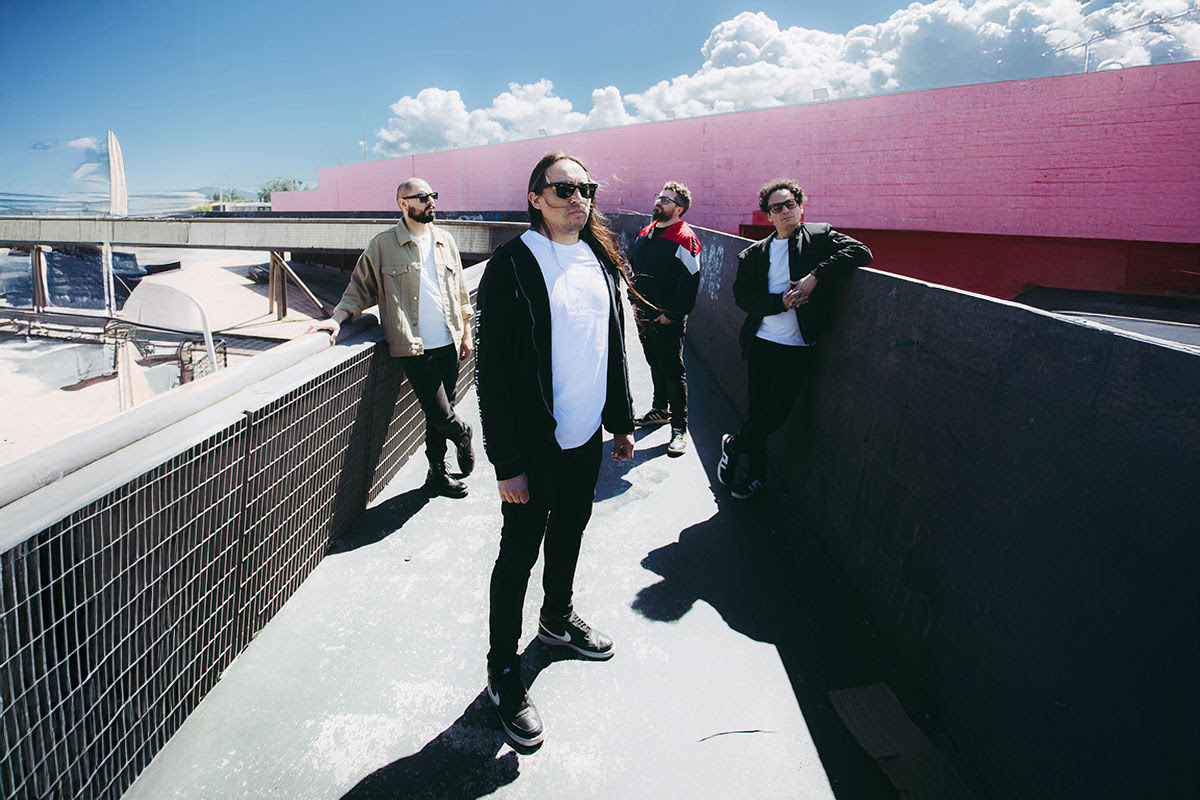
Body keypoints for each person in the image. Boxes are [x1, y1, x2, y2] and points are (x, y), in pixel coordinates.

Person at [474, 152, 635, 747]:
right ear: (535, 197)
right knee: (517, 557)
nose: (577, 198)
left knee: (569, 532)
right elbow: (491, 375)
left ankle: (557, 620)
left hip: (585, 439)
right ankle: (502, 672)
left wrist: (620, 421)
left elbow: (610, 345)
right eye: (563, 188)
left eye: (585, 188)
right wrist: (507, 464)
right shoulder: (512, 264)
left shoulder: (597, 257)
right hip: (533, 447)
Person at [307, 178, 475, 498]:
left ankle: (436, 474)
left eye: (433, 195)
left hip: (449, 340)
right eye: (422, 197)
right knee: (440, 413)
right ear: (403, 203)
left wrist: (466, 333)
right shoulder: (383, 244)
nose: (431, 201)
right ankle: (463, 433)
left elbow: (461, 294)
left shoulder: (445, 241)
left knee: (440, 412)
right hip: (413, 344)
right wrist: (336, 319)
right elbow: (359, 289)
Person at [718, 179, 872, 500]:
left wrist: (815, 276)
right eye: (777, 207)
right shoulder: (753, 254)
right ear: (768, 216)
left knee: (776, 414)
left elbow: (862, 252)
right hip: (761, 343)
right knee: (758, 413)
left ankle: (733, 445)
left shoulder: (819, 236)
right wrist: (781, 303)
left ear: (801, 207)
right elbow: (742, 297)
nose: (785, 211)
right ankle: (755, 475)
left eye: (790, 204)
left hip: (797, 348)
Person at [628, 181, 702, 457]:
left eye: (667, 200)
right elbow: (636, 269)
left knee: (672, 370)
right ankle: (660, 409)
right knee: (654, 363)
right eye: (659, 196)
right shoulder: (646, 232)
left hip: (666, 319)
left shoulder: (685, 237)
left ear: (679, 209)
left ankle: (679, 429)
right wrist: (633, 301)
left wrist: (671, 315)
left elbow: (691, 281)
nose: (659, 201)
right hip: (643, 315)